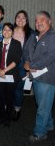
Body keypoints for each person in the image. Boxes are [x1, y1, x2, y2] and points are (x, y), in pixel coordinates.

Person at [23, 11, 55, 142]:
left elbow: (51, 56)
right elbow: (25, 51)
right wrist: (26, 61)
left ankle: (40, 132)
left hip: (47, 78)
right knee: (42, 104)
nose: (38, 22)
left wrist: (32, 65)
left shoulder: (52, 36)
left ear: (50, 22)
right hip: (35, 77)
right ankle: (49, 124)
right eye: (36, 20)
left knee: (42, 107)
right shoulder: (33, 36)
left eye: (42, 19)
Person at [0, 23, 22, 127]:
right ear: (2, 32)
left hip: (11, 74)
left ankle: (8, 118)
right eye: (4, 30)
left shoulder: (17, 44)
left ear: (12, 32)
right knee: (0, 97)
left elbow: (16, 61)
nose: (6, 32)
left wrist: (4, 70)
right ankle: (1, 117)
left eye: (9, 30)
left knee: (10, 97)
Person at [12, 10, 34, 121]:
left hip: (23, 64)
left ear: (27, 20)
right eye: (18, 17)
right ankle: (8, 107)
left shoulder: (31, 33)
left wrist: (29, 66)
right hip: (9, 64)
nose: (20, 19)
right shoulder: (9, 30)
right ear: (15, 19)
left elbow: (35, 51)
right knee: (9, 87)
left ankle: (17, 109)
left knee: (18, 88)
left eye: (23, 17)